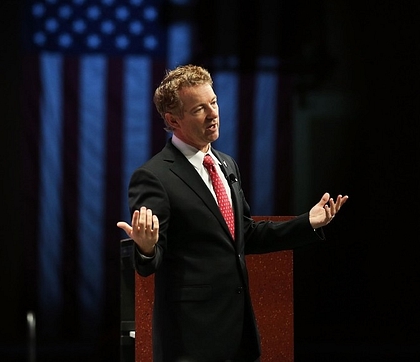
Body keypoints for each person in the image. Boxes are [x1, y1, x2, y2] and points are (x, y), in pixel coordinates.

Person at [117, 64, 348, 362]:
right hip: (191, 339)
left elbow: (245, 235)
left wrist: (308, 223)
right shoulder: (154, 176)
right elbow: (149, 262)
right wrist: (146, 248)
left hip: (238, 334)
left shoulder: (226, 164)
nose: (213, 114)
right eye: (199, 109)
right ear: (173, 119)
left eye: (213, 102)